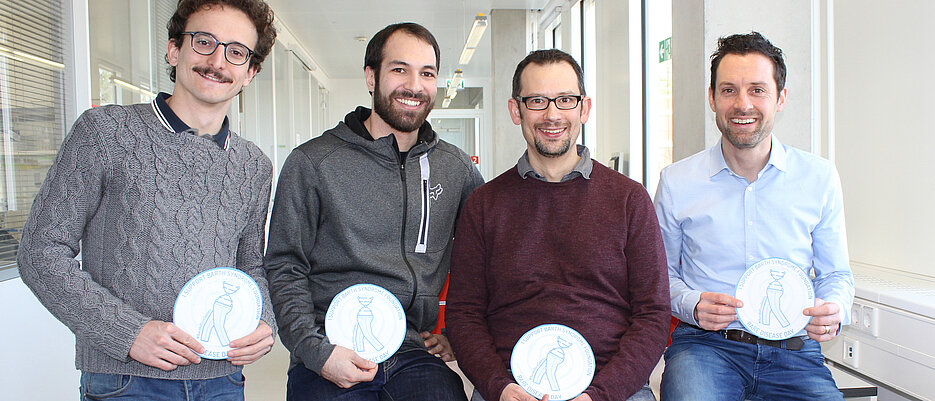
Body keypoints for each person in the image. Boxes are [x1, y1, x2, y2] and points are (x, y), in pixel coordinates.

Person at [17, 0, 278, 399]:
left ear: (250, 72)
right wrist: (127, 332)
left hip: (222, 380)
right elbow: (40, 250)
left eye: (236, 52)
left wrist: (264, 321)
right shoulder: (105, 132)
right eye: (204, 41)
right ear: (174, 50)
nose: (217, 61)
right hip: (127, 381)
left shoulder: (254, 165)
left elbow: (250, 266)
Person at [264, 22, 484, 401]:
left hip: (413, 352)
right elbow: (285, 266)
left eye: (427, 73)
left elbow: (486, 255)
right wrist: (315, 351)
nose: (415, 85)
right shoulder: (313, 163)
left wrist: (455, 336)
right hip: (330, 350)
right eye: (400, 69)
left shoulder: (456, 167)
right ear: (371, 76)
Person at [446, 49, 670, 401]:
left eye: (565, 99)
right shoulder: (484, 205)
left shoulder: (629, 199)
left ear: (584, 107)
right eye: (537, 100)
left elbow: (653, 314)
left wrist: (601, 394)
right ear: (515, 110)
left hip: (612, 387)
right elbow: (463, 315)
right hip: (510, 389)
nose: (552, 114)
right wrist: (498, 387)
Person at [654, 32, 854, 400]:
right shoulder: (676, 182)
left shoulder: (819, 177)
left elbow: (836, 274)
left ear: (781, 98)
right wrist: (692, 304)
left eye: (757, 90)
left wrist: (834, 308)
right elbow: (658, 275)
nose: (742, 104)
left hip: (795, 350)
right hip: (705, 347)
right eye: (729, 90)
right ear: (712, 98)